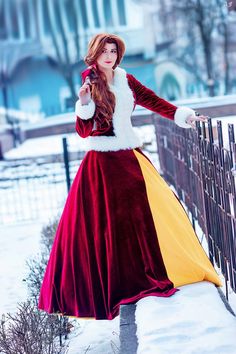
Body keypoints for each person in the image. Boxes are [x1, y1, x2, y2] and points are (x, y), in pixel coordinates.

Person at [38, 33, 221, 320]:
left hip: (130, 157)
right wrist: (84, 104)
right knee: (111, 227)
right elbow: (84, 132)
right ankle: (122, 284)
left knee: (148, 214)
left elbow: (152, 100)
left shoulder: (125, 78)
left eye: (113, 51)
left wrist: (185, 116)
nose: (109, 56)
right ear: (95, 54)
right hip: (102, 164)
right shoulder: (90, 82)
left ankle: (150, 272)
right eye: (104, 51)